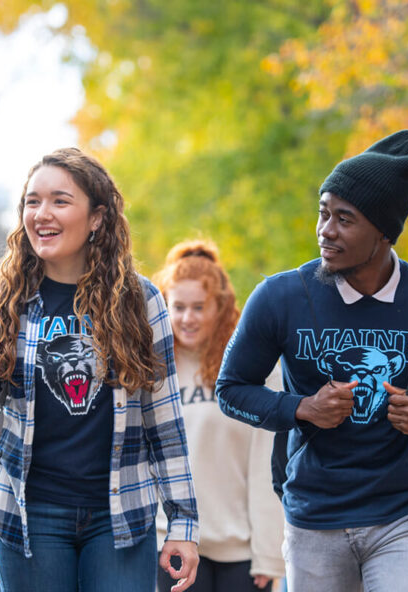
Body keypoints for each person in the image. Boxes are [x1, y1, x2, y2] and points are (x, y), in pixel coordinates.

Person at [214, 130, 408, 592]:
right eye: (323, 213)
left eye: (344, 218)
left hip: (402, 513)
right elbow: (231, 390)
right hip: (313, 517)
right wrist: (302, 408)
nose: (326, 230)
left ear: (383, 231)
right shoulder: (282, 297)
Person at [0, 147, 200, 592]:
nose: (42, 214)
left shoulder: (141, 303)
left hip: (120, 514)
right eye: (32, 201)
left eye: (60, 201)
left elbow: (162, 417)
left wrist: (183, 519)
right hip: (29, 519)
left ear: (97, 218)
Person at [151, 241, 286, 592]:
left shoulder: (254, 369)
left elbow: (266, 464)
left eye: (199, 307)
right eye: (178, 307)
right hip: (172, 543)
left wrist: (269, 553)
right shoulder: (151, 370)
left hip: (240, 552)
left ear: (221, 307)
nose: (187, 318)